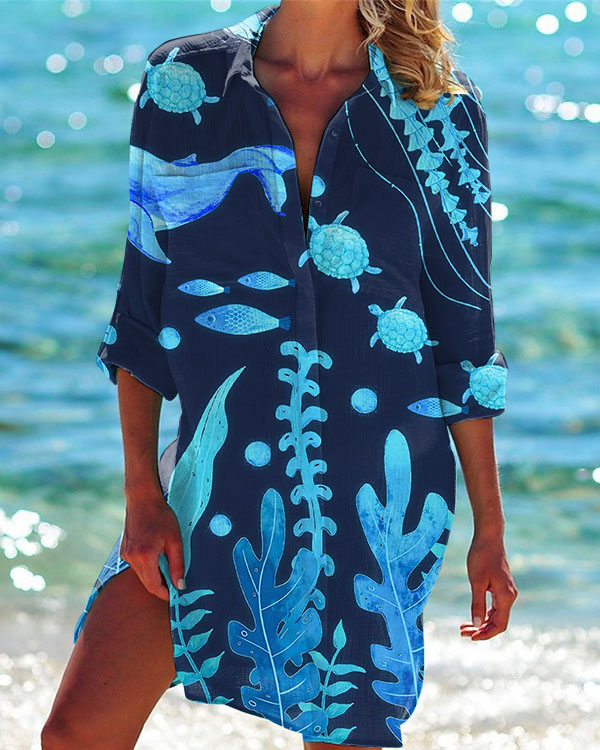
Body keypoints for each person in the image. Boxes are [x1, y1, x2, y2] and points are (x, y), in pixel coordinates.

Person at [42, 1, 518, 748]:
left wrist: (489, 529)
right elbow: (141, 310)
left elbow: (464, 334)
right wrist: (141, 493)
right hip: (214, 478)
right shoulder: (185, 82)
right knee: (77, 733)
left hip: (374, 502)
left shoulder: (437, 106)